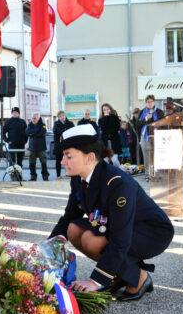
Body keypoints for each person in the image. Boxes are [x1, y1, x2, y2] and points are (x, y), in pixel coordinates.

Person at [48, 125, 174, 301]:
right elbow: (69, 217)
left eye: (68, 156)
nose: (63, 161)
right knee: (73, 229)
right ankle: (118, 275)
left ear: (90, 157)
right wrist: (44, 252)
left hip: (150, 231)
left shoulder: (117, 183)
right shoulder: (79, 179)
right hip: (119, 227)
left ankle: (139, 278)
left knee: (90, 240)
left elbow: (121, 238)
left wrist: (96, 281)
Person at [136, 94, 165, 177]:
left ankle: (156, 173)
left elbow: (162, 124)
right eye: (148, 102)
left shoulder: (159, 112)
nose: (149, 103)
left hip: (156, 136)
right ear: (146, 103)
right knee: (146, 155)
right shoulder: (142, 112)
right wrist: (145, 119)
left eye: (151, 101)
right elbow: (137, 124)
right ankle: (147, 174)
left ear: (154, 102)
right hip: (145, 136)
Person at [2, 106, 27, 174]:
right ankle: (12, 176)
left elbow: (26, 132)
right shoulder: (8, 122)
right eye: (13, 112)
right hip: (12, 144)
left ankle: (19, 175)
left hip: (21, 144)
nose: (14, 114)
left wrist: (25, 140)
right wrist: (7, 140)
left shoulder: (22, 122)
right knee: (12, 161)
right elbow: (3, 132)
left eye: (16, 112)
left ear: (18, 113)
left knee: (19, 161)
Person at [26, 113, 49, 181]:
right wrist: (35, 132)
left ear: (38, 118)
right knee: (32, 163)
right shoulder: (30, 125)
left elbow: (42, 132)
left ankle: (45, 176)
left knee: (43, 163)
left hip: (41, 147)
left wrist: (32, 133)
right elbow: (27, 132)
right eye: (32, 118)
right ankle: (33, 176)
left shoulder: (43, 125)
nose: (33, 119)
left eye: (35, 118)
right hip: (32, 148)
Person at [53, 110, 74, 178]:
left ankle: (68, 173)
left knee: (68, 159)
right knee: (58, 160)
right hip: (59, 144)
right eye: (60, 116)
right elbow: (56, 131)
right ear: (58, 117)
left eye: (63, 115)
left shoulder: (70, 123)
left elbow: (72, 131)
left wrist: (64, 132)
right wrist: (65, 131)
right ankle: (58, 175)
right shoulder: (56, 124)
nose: (62, 117)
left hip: (68, 144)